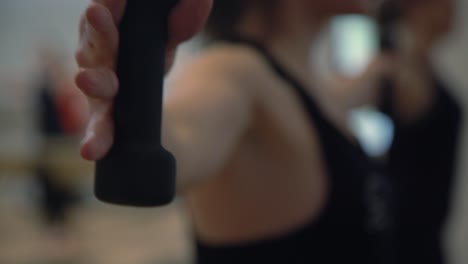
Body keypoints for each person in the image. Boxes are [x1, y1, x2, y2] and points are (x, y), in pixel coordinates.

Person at [74, 0, 452, 263]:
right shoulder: (233, 70)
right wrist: (132, 112)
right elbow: (185, 135)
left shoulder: (312, 86)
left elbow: (372, 82)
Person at [380, 1, 463, 263]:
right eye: (447, 4)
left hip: (425, 233)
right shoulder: (404, 68)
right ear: (419, 8)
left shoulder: (419, 64)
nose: (454, 13)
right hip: (409, 237)